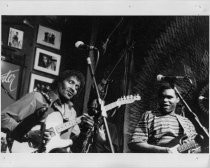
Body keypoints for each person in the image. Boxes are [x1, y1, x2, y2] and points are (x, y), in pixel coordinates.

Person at [1, 70, 94, 153]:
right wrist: (28, 134)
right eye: (70, 82)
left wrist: (84, 131)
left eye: (77, 87)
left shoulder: (72, 112)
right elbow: (3, 117)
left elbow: (71, 144)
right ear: (59, 82)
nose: (73, 89)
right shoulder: (37, 98)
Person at [128, 82, 201, 153]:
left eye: (169, 97)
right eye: (162, 97)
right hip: (156, 161)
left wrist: (188, 147)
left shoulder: (186, 122)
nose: (165, 100)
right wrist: (162, 150)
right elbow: (135, 143)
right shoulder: (149, 115)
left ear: (177, 99)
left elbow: (197, 147)